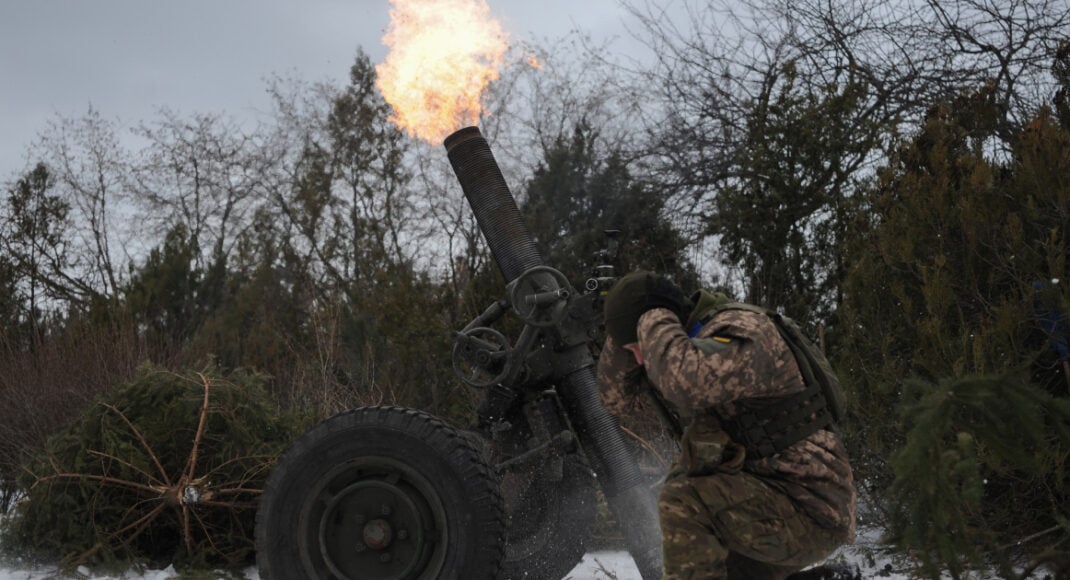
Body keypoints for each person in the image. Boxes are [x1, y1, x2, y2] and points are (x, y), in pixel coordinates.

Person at [598, 271, 856, 580]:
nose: (640, 359)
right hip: (765, 507)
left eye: (638, 347)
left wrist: (651, 316)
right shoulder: (693, 342)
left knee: (685, 500)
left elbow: (685, 381)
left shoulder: (745, 331)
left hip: (809, 510)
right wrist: (624, 329)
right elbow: (613, 400)